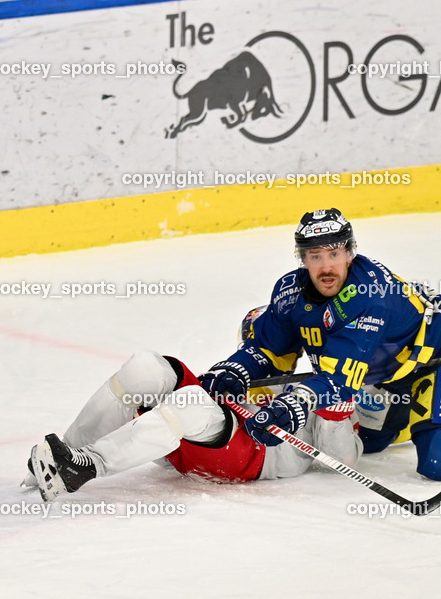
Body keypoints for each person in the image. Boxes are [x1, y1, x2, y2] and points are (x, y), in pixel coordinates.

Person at [199, 208, 441, 479]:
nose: (326, 267)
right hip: (388, 373)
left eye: (334, 254)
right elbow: (268, 350)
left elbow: (340, 378)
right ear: (303, 258)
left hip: (431, 359)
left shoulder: (370, 298)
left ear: (350, 254)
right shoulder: (290, 291)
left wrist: (298, 402)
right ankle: (409, 414)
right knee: (371, 443)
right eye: (315, 256)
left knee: (437, 464)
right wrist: (235, 369)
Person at [26, 307, 362, 502]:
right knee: (146, 367)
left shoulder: (322, 385)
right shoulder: (242, 373)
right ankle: (61, 456)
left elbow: (345, 458)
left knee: (190, 402)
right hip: (196, 438)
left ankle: (87, 467)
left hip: (256, 459)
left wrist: (334, 410)